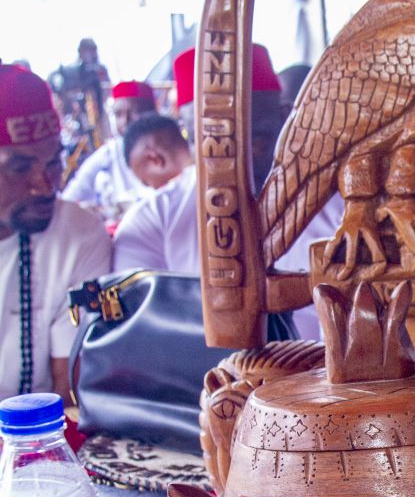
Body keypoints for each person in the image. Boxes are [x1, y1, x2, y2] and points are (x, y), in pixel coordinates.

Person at [113, 52, 338, 341]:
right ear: (187, 131)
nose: (229, 161)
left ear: (285, 118)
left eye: (253, 139)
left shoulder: (346, 208)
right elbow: (141, 342)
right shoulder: (151, 223)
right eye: (211, 142)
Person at [0, 64, 111, 402]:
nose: (45, 186)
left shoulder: (79, 234)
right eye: (19, 168)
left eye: (52, 163)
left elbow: (70, 398)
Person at [174, 43, 284, 193]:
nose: (233, 163)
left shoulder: (317, 200)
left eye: (255, 142)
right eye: (212, 146)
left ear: (285, 117)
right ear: (185, 132)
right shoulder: (162, 208)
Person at [62, 80, 154, 210]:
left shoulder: (169, 148)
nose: (125, 120)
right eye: (118, 114)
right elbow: (70, 197)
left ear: (152, 112)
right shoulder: (109, 153)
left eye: (134, 112)